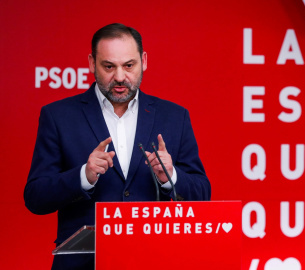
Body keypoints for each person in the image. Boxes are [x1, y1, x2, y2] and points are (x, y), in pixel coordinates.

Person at [24, 23, 211, 269]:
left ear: (144, 61)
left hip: (156, 261)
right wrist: (83, 176)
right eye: (109, 66)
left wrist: (171, 176)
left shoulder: (175, 116)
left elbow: (202, 194)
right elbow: (35, 198)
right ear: (92, 63)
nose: (120, 77)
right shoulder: (58, 116)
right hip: (83, 263)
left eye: (129, 65)